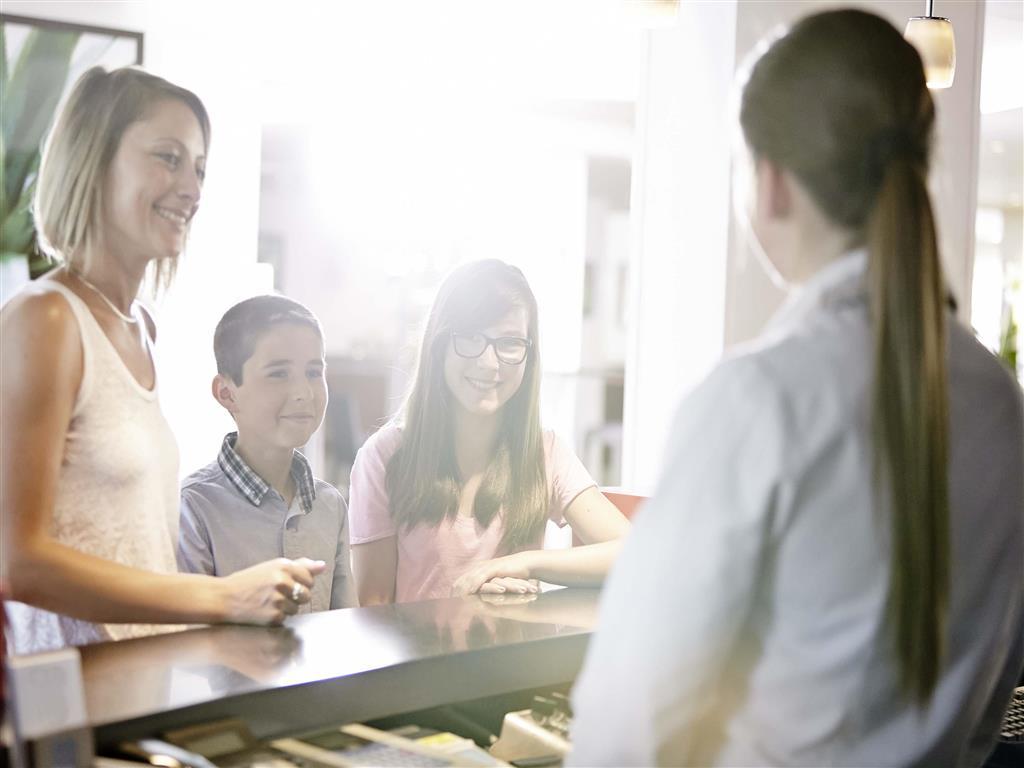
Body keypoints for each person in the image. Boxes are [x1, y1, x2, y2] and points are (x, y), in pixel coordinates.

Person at [569, 10, 1024, 766]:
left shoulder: (758, 398)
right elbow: (992, 696)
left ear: (771, 183)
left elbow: (628, 725)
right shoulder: (1002, 405)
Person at [1, 67, 324, 656]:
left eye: (198, 168)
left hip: (139, 678)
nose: (192, 189)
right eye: (167, 158)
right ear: (94, 162)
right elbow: (16, 561)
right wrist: (221, 597)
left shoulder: (142, 327)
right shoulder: (46, 320)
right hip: (68, 698)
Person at [348, 259, 630, 604]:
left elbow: (635, 554)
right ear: (439, 345)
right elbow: (373, 608)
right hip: (420, 657)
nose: (489, 363)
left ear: (530, 352)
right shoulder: (384, 456)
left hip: (514, 657)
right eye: (470, 338)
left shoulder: (544, 451)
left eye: (509, 342)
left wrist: (525, 564)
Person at [178, 295, 357, 613]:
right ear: (226, 393)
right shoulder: (194, 507)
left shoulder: (330, 506)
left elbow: (346, 628)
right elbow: (187, 641)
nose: (303, 392)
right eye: (279, 374)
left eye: (314, 372)